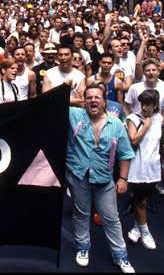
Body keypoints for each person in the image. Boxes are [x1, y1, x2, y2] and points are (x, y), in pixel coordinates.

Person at [66, 83, 136, 273]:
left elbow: (126, 154)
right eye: (89, 97)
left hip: (104, 179)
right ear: (84, 101)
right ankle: (83, 247)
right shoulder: (74, 115)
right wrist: (73, 97)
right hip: (78, 175)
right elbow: (52, 104)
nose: (93, 100)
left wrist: (123, 179)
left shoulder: (116, 125)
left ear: (105, 101)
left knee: (111, 218)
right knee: (81, 214)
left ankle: (120, 256)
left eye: (97, 97)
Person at [125, 90, 164, 250]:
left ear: (155, 105)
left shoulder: (159, 118)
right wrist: (146, 126)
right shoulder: (133, 118)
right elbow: (133, 140)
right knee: (139, 200)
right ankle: (145, 231)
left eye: (148, 104)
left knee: (144, 200)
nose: (144, 108)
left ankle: (136, 227)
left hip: (153, 167)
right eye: (142, 104)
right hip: (137, 166)